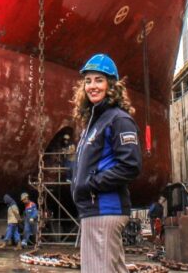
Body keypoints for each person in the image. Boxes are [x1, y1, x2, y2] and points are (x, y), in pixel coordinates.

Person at [71, 53, 142, 272]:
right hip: (93, 210)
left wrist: (91, 184)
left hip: (104, 209)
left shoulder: (118, 119)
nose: (92, 86)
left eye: (99, 80)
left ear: (111, 85)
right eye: (88, 80)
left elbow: (130, 165)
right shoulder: (94, 123)